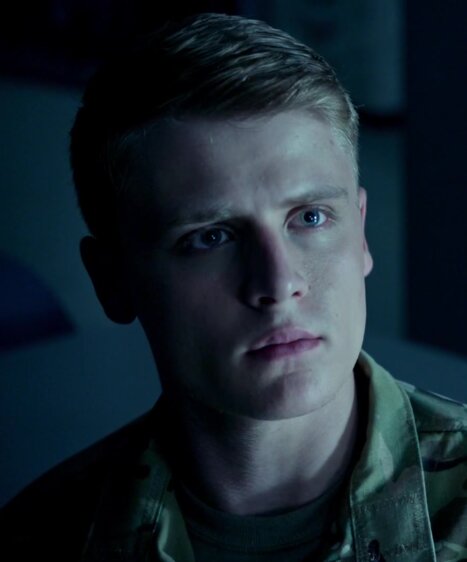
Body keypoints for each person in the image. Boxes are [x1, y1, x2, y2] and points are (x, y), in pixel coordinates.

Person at [1, 12, 466, 562]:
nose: (279, 283)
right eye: (211, 237)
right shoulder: (42, 539)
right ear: (112, 279)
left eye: (310, 217)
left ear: (360, 233)